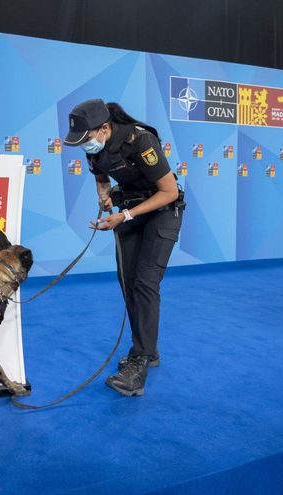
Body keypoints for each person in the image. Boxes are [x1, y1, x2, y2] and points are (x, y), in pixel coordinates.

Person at [63, 99, 185, 397]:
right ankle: (148, 349)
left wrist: (125, 215)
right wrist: (105, 197)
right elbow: (101, 178)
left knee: (145, 282)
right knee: (128, 283)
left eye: (87, 139)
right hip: (129, 210)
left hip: (162, 212)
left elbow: (168, 192)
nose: (85, 146)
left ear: (105, 128)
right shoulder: (95, 150)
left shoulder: (140, 139)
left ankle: (139, 361)